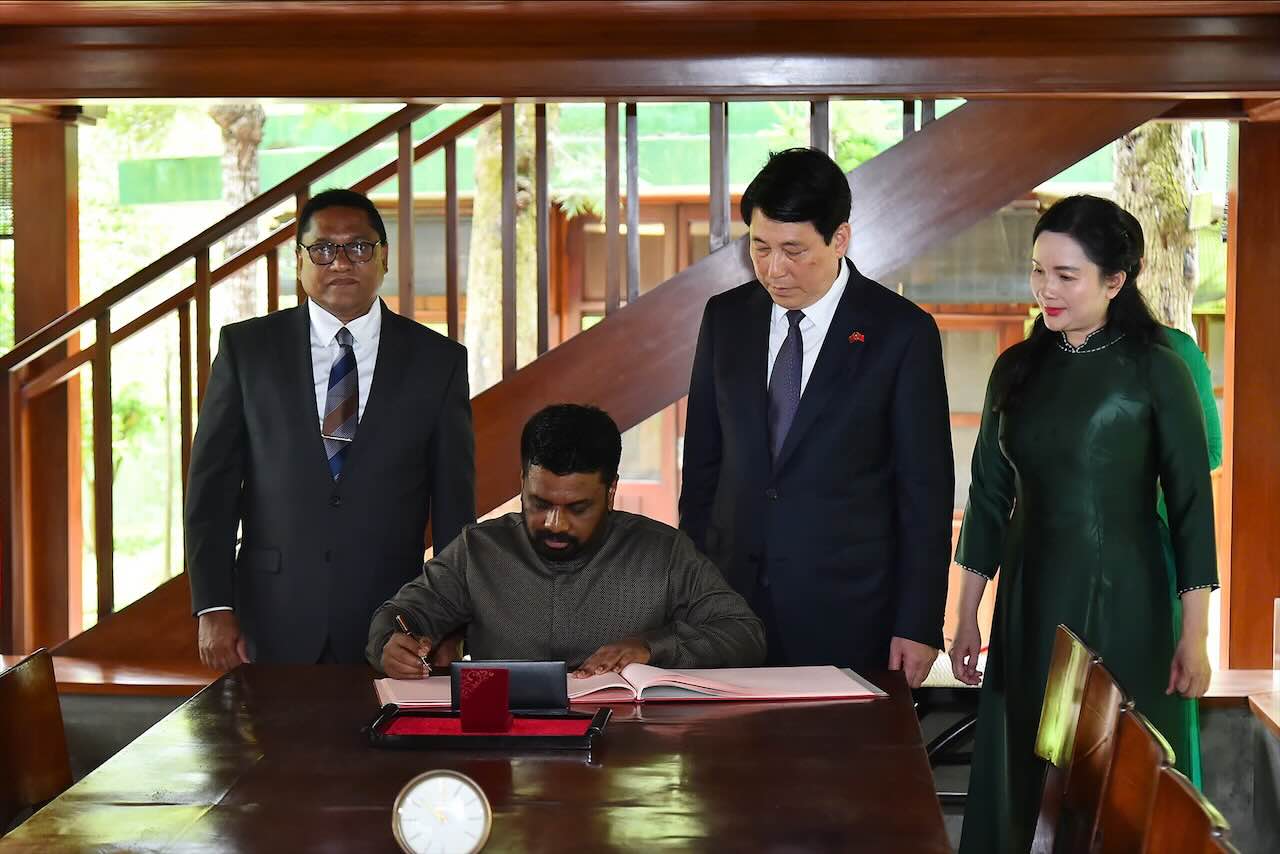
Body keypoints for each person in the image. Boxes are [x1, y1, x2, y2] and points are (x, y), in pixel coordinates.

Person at [949, 194, 1217, 853]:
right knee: (1029, 766)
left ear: (1115, 281)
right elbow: (987, 498)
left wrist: (1196, 636)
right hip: (1030, 600)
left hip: (1131, 599)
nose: (1046, 289)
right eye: (1039, 271)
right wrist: (965, 616)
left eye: (1066, 275)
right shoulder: (1016, 368)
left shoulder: (1159, 368)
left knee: (1117, 775)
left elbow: (1190, 509)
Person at [679, 147, 954, 686]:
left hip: (850, 612)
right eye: (759, 247)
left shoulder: (900, 333)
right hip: (731, 609)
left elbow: (925, 491)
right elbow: (704, 468)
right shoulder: (726, 319)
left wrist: (919, 621)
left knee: (841, 767)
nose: (774, 269)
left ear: (840, 239)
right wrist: (690, 591)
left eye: (794, 250)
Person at [186, 188, 475, 668]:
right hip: (270, 613)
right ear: (299, 263)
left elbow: (453, 503)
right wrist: (215, 605)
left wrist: (451, 618)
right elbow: (211, 489)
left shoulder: (438, 361)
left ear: (384, 259)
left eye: (359, 247)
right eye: (323, 248)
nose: (341, 262)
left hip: (393, 620)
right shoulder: (247, 350)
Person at [370, 404, 765, 677]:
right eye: (539, 503)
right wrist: (392, 643)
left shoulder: (662, 552)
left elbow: (743, 635)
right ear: (522, 483)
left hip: (628, 755)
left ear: (611, 491)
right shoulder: (480, 551)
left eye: (577, 508)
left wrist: (652, 648)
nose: (555, 524)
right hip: (507, 751)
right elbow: (400, 615)